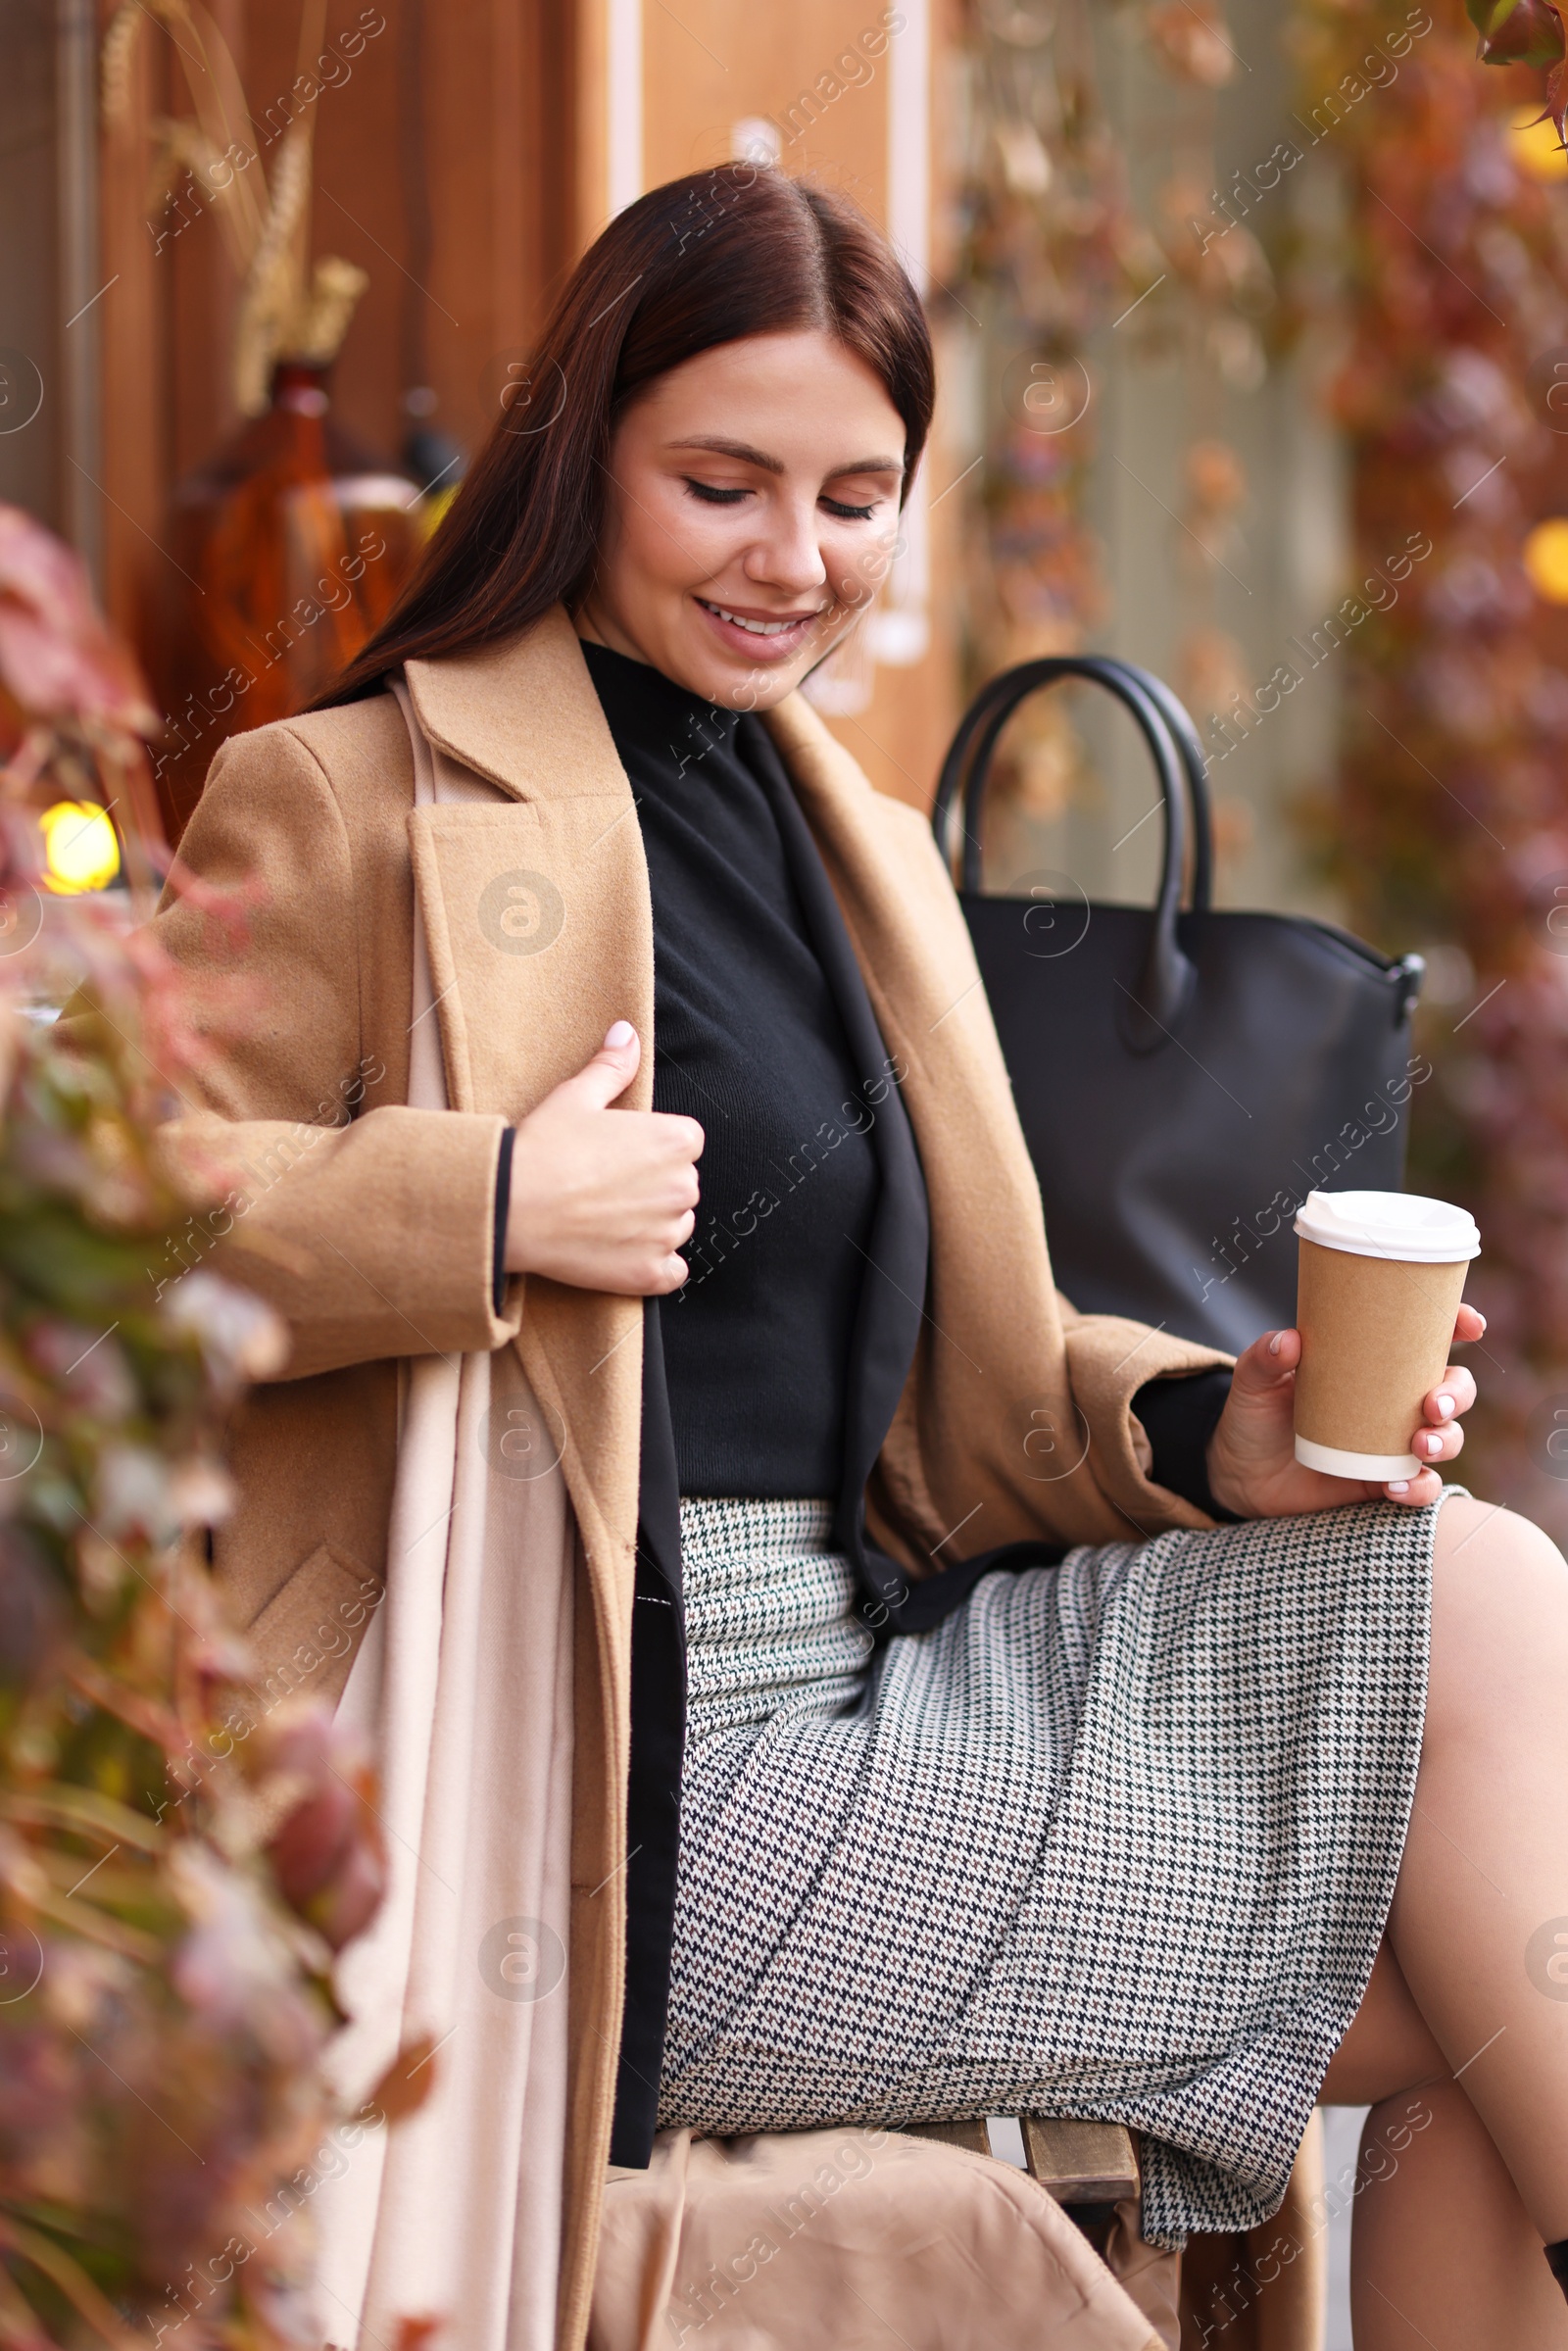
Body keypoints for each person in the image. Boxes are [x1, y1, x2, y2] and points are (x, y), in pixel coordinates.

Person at [150, 166, 1568, 2349]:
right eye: (719, 483)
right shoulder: (351, 799)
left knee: (1473, 1820)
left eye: (851, 495)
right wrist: (489, 1212)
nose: (789, 560)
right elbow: (90, 1218)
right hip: (601, 1771)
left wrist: (1220, 1425)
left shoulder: (859, 843)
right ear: (582, 450)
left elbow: (986, 1383)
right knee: (1480, 1829)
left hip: (880, 1669)